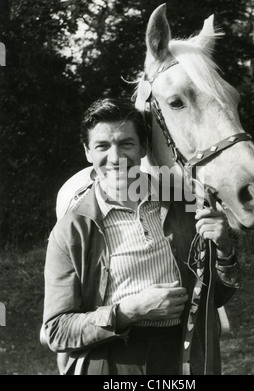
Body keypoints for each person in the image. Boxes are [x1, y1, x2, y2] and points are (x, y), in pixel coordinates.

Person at [42, 98, 240, 375]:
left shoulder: (184, 207)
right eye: (102, 146)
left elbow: (214, 298)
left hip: (181, 357)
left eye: (126, 143)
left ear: (143, 148)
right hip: (109, 362)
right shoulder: (72, 230)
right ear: (87, 152)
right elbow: (56, 331)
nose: (115, 157)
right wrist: (128, 311)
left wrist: (224, 248)